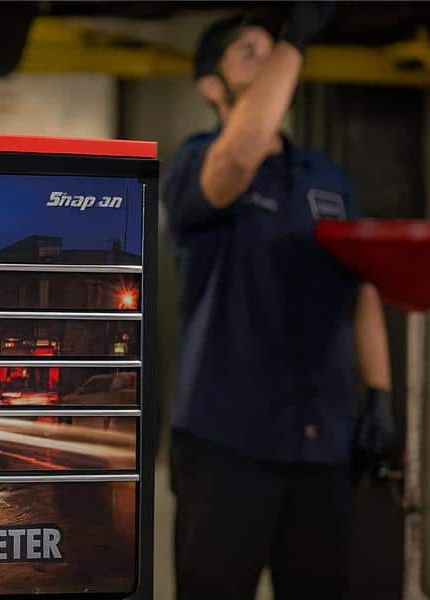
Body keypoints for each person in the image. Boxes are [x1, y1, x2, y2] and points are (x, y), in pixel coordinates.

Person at [163, 3, 395, 599]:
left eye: (275, 52)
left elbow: (362, 284)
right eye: (250, 53)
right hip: (226, 442)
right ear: (211, 86)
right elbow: (239, 157)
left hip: (324, 443)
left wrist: (381, 396)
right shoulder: (197, 161)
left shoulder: (327, 176)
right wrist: (294, 41)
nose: (269, 62)